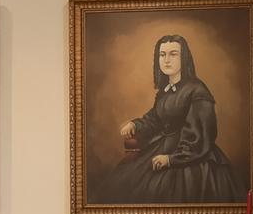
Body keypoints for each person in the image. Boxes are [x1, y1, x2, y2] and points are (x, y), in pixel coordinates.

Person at [101, 33, 243, 204]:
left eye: (173, 54)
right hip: (163, 148)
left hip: (191, 157)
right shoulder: (165, 91)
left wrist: (170, 159)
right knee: (123, 181)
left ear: (184, 58)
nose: (166, 60)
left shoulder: (198, 91)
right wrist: (135, 124)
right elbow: (154, 119)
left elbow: (198, 137)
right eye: (162, 55)